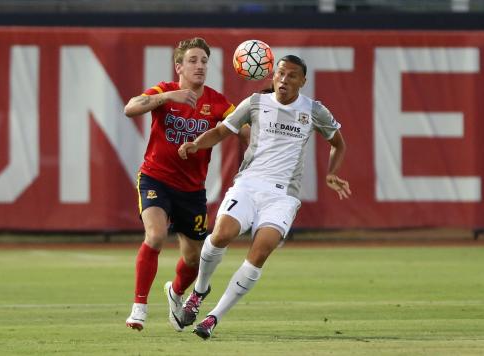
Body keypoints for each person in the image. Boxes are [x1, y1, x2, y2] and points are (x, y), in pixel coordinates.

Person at [177, 55, 352, 339]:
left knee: (261, 251)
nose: (285, 79)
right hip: (248, 184)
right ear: (273, 76)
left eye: (292, 76)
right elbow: (223, 130)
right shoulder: (256, 103)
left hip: (283, 196)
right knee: (221, 235)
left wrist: (332, 172)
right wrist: (197, 144)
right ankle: (198, 292)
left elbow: (338, 144)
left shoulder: (314, 110)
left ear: (302, 82)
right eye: (281, 73)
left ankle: (213, 318)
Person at [123, 37, 238, 332]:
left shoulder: (216, 102)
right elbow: (131, 108)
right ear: (179, 66)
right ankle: (139, 308)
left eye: (204, 61)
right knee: (156, 234)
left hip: (192, 190)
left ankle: (175, 292)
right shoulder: (164, 91)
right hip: (155, 178)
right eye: (193, 60)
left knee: (194, 258)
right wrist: (165, 99)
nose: (200, 66)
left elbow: (242, 124)